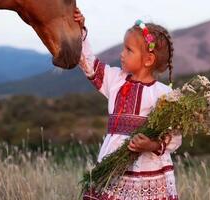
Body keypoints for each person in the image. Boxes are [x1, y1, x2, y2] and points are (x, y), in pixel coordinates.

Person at [74, 7, 182, 200]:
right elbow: (88, 63)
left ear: (148, 59)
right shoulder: (116, 80)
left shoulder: (163, 95)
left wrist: (152, 144)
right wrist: (80, 30)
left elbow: (175, 137)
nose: (122, 54)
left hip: (146, 171)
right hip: (112, 168)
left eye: (128, 50)